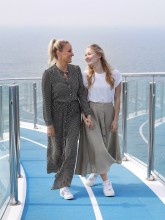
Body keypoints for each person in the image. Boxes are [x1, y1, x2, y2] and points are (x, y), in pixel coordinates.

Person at [42, 39, 93, 200]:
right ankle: (60, 175)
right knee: (58, 151)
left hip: (73, 114)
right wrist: (49, 123)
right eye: (69, 51)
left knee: (71, 150)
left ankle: (64, 185)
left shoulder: (76, 70)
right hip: (56, 115)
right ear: (59, 52)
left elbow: (81, 95)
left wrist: (87, 114)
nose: (73, 54)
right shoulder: (48, 75)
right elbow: (46, 101)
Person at [75, 44, 122, 197]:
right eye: (85, 54)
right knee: (98, 147)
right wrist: (84, 116)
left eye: (89, 54)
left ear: (99, 55)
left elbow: (117, 98)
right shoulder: (85, 75)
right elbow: (82, 98)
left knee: (105, 146)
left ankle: (96, 172)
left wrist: (116, 119)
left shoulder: (115, 74)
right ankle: (107, 183)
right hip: (91, 112)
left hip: (109, 111)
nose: (86, 57)